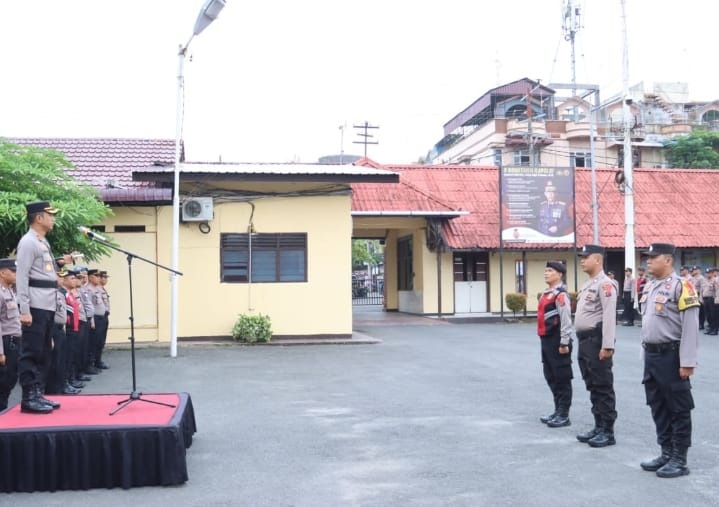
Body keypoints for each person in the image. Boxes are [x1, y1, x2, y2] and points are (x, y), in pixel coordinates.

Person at [638, 243, 700, 478]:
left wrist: (688, 361)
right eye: (648, 257)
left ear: (668, 260)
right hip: (652, 355)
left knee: (678, 408)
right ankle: (666, 452)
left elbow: (691, 326)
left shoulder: (682, 286)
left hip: (671, 355)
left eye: (653, 257)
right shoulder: (650, 286)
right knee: (658, 405)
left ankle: (679, 459)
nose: (648, 261)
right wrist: (644, 353)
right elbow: (648, 323)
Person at [15, 201, 73, 413]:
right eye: (50, 215)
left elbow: (43, 271)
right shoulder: (28, 242)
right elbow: (22, 276)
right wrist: (24, 309)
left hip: (47, 303)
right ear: (39, 218)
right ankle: (29, 397)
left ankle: (38, 393)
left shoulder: (42, 241)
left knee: (44, 351)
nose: (53, 219)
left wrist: (60, 263)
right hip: (35, 304)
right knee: (31, 351)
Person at [574, 244, 618, 447]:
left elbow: (609, 316)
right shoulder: (588, 284)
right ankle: (598, 425)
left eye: (586, 257)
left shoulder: (605, 284)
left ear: (598, 260)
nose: (582, 261)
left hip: (596, 340)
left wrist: (607, 345)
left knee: (602, 385)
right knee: (592, 384)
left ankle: (608, 431)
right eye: (581, 257)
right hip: (584, 341)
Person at [537, 260, 575, 428]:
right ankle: (557, 409)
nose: (546, 273)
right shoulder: (546, 294)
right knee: (550, 375)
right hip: (546, 339)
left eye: (550, 271)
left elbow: (566, 320)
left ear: (559, 274)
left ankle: (564, 414)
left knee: (562, 377)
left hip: (558, 340)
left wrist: (564, 342)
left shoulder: (560, 295)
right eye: (546, 271)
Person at [0, 258, 21, 411]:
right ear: (2, 273)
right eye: (13, 271)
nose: (16, 274)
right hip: (6, 342)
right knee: (4, 381)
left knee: (11, 379)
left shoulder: (10, 291)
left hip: (15, 341)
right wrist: (0, 352)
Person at [690, 266, 706, 330]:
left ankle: (701, 324)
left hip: (699, 295)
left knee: (701, 311)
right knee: (695, 310)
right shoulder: (693, 278)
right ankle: (697, 323)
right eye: (694, 270)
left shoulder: (701, 278)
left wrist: (701, 298)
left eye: (695, 269)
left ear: (699, 270)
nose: (694, 271)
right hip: (693, 295)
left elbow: (702, 289)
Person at [702, 268, 716, 335]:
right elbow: (702, 290)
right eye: (706, 273)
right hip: (705, 299)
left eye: (709, 273)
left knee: (713, 315)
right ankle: (710, 328)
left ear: (712, 273)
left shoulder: (715, 280)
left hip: (712, 299)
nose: (707, 274)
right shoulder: (704, 280)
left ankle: (714, 329)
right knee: (708, 315)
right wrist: (701, 298)